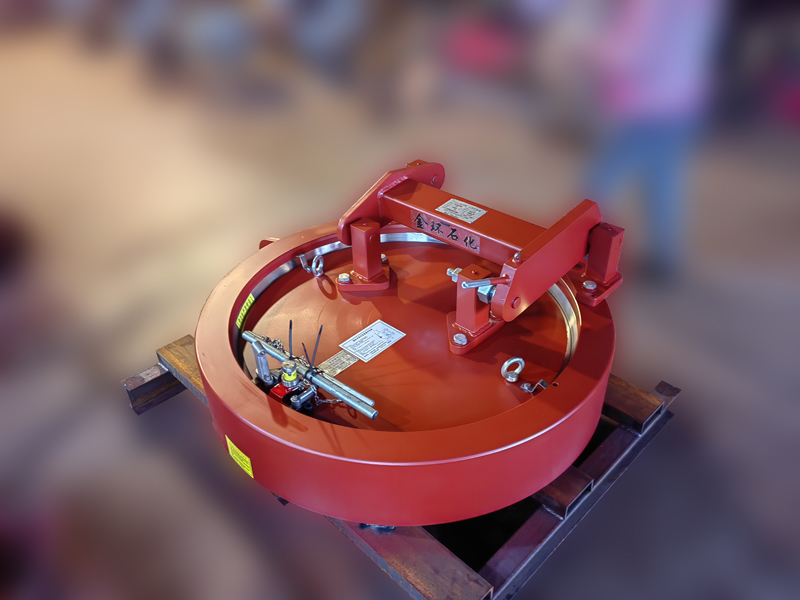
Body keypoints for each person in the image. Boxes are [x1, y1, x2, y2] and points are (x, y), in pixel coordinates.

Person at [582, 0, 723, 281]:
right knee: (663, 179)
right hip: (683, 99)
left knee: (599, 181)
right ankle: (664, 256)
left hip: (646, 104)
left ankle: (575, 251)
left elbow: (634, 53)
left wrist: (588, 50)